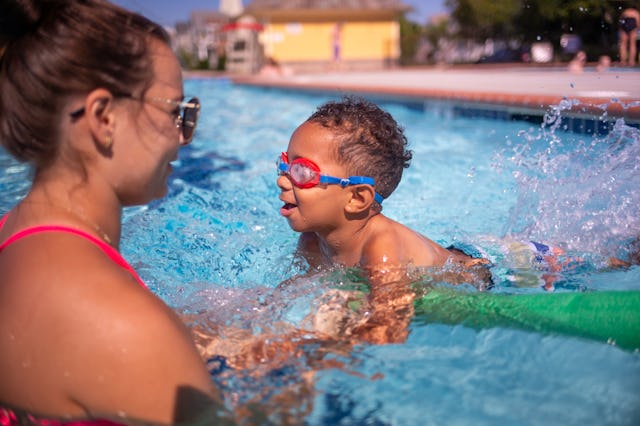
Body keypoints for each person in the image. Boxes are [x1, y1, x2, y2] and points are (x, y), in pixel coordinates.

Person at [0, 0, 230, 424]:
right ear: (104, 118)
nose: (184, 138)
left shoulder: (12, 237)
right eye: (176, 112)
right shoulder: (129, 327)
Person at [275, 96, 492, 343]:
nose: (282, 179)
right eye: (285, 164)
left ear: (356, 198)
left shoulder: (381, 249)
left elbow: (390, 329)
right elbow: (297, 292)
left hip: (478, 271)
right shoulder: (311, 239)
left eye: (301, 172)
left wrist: (314, 346)